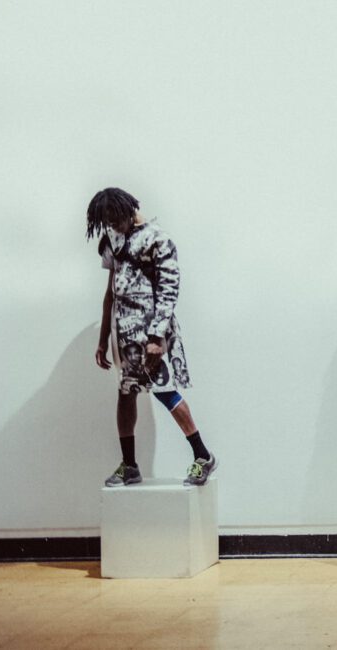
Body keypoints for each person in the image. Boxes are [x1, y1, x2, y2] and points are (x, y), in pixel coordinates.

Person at [87, 188, 216, 487]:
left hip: (150, 334)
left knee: (164, 390)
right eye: (106, 220)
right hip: (125, 335)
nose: (111, 225)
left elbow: (169, 290)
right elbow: (110, 293)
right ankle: (130, 465)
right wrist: (103, 338)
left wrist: (157, 337)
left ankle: (203, 455)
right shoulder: (112, 239)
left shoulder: (157, 239)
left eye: (114, 218)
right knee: (126, 393)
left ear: (128, 210)